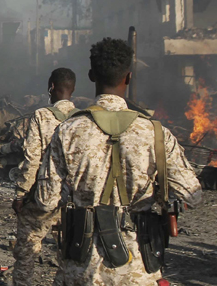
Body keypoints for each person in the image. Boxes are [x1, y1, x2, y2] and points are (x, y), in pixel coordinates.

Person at [31, 37, 202, 285]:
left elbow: (46, 201)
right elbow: (192, 196)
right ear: (129, 77)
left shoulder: (67, 131)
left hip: (81, 267)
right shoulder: (156, 133)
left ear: (91, 76)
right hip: (139, 267)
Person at [11, 67, 77, 286]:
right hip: (76, 201)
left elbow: (32, 159)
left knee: (26, 251)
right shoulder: (83, 119)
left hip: (44, 198)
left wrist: (21, 195)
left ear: (51, 88)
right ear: (73, 90)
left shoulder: (41, 116)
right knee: (71, 254)